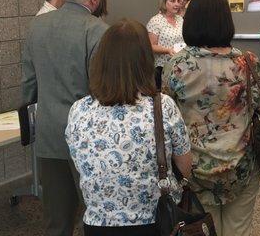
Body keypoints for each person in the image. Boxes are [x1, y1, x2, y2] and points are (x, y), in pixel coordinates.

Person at [163, 0, 260, 236]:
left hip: (193, 170)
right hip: (241, 166)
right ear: (227, 21)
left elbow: (165, 117)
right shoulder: (248, 62)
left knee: (202, 230)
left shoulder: (178, 65)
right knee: (239, 230)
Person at [65, 19, 192, 236]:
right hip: (157, 221)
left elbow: (81, 162)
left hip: (98, 223)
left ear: (101, 61)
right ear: (145, 60)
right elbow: (185, 166)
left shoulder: (79, 110)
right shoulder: (162, 106)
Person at [22, 0, 108, 236]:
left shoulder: (37, 25)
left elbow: (28, 84)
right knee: (97, 213)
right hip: (88, 138)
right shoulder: (98, 30)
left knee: (56, 219)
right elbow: (102, 89)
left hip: (48, 134)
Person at [147, 0, 184, 89]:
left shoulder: (180, 19)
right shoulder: (156, 21)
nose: (177, 4)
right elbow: (151, 46)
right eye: (172, 1)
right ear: (164, 2)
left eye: (178, 1)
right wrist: (167, 50)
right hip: (162, 68)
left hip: (180, 66)